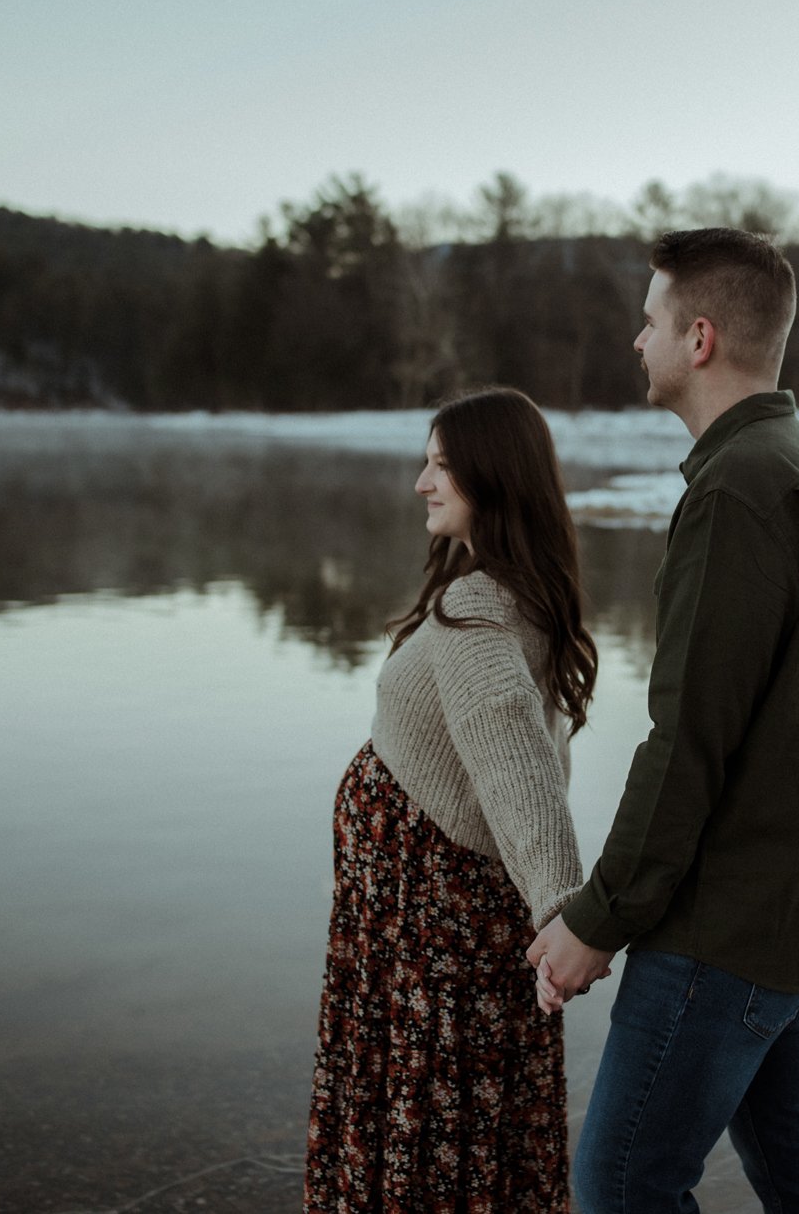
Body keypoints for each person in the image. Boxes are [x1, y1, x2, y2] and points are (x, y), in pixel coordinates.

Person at [528, 229, 799, 1213]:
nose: (636, 341)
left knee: (622, 1183)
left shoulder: (739, 486)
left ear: (698, 338)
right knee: (794, 1152)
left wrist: (600, 916)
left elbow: (686, 743)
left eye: (648, 320)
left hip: (725, 930)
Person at [304, 386, 599, 1213]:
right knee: (469, 1134)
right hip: (418, 929)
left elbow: (520, 769)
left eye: (440, 465)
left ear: (489, 477)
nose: (421, 483)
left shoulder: (477, 608)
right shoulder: (512, 589)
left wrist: (561, 913)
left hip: (432, 933)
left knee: (431, 1135)